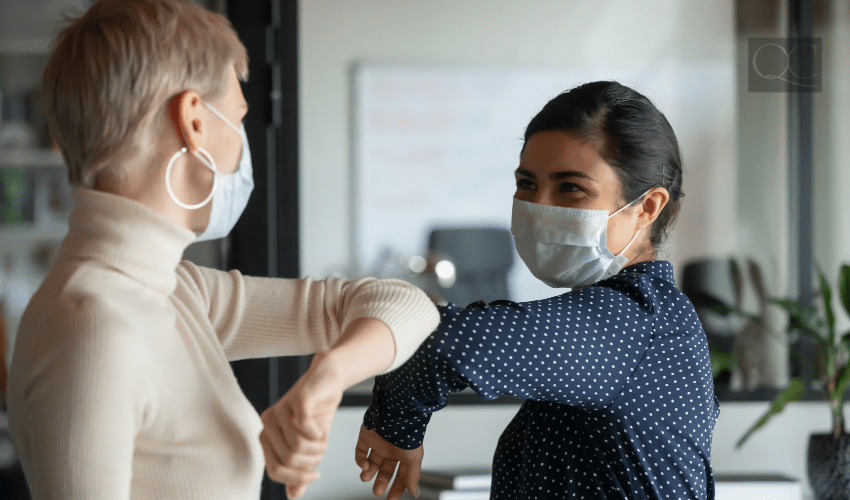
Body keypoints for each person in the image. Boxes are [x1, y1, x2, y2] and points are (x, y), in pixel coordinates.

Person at [5, 1, 440, 499]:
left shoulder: (172, 289)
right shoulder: (93, 321)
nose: (241, 142)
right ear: (193, 120)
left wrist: (327, 376)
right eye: (238, 117)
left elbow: (407, 304)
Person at [350, 81, 721, 500]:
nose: (540, 207)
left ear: (647, 207)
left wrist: (397, 428)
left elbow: (442, 342)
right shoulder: (639, 322)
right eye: (527, 184)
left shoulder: (634, 320)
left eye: (570, 187)